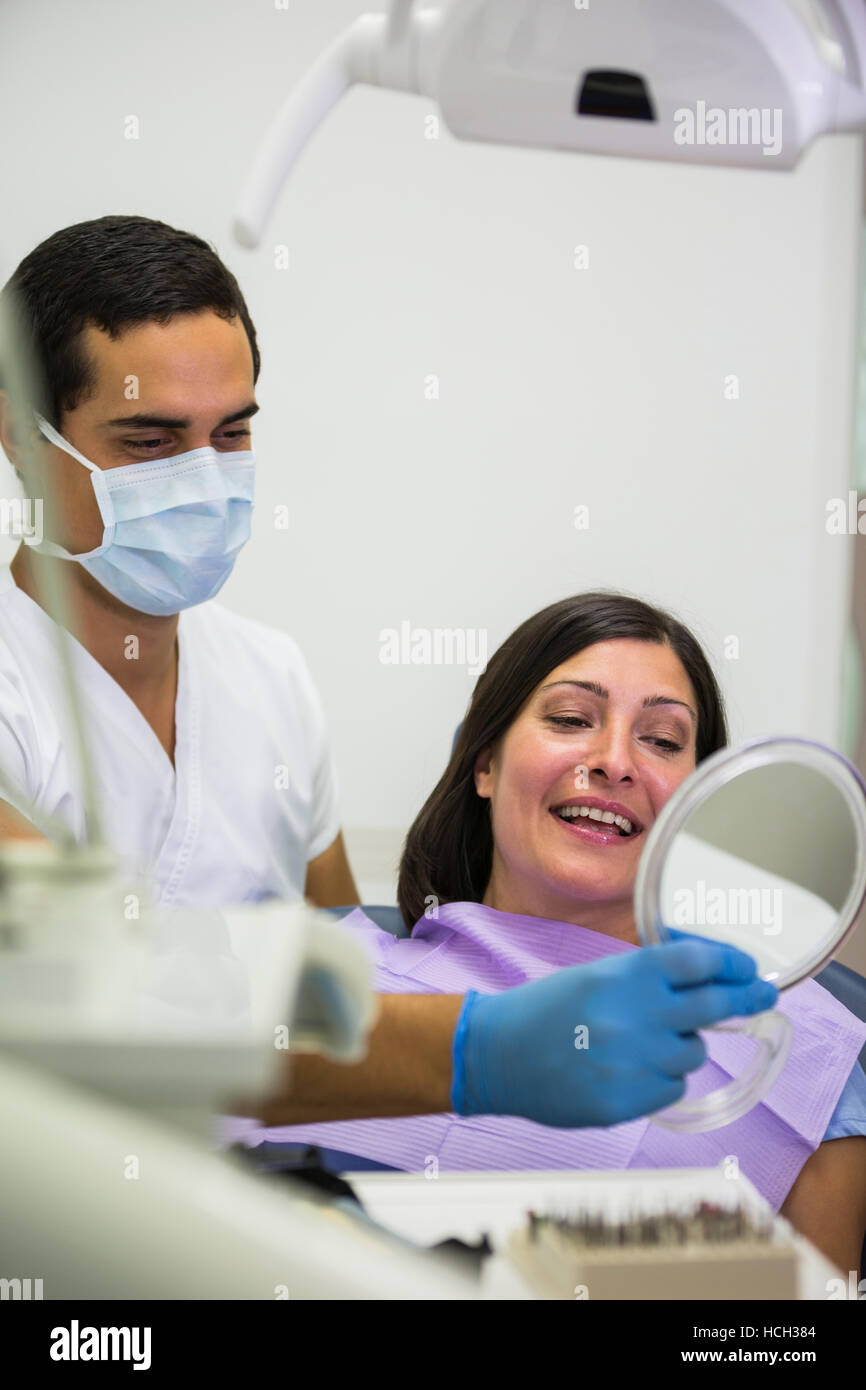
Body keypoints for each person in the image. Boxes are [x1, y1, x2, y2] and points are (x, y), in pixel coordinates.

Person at [0, 215, 778, 1136]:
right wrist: (476, 1050)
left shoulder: (268, 681)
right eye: (152, 443)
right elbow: (85, 990)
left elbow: (353, 967)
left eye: (233, 434)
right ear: (19, 435)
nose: (204, 481)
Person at [228, 593, 866, 1275]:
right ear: (485, 765)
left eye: (662, 740)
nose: (616, 761)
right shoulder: (323, 979)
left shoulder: (801, 1051)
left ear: (695, 800)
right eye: (570, 718)